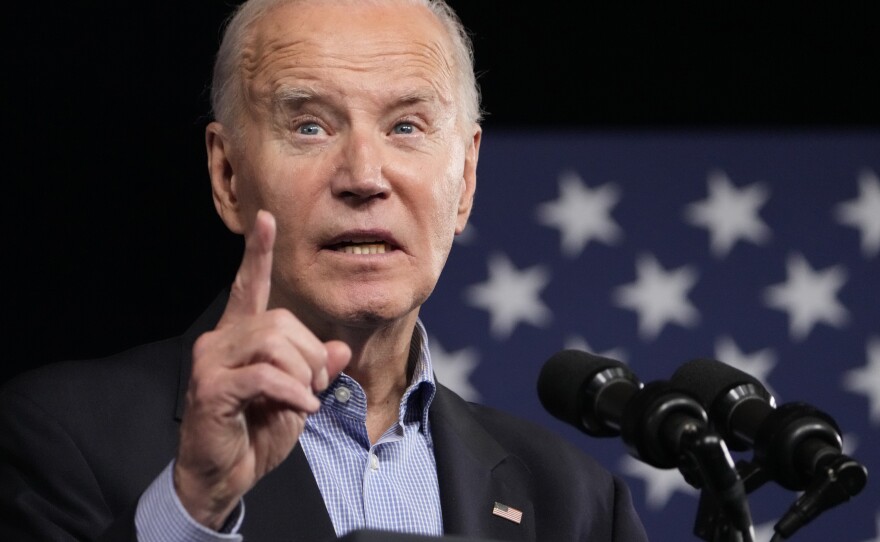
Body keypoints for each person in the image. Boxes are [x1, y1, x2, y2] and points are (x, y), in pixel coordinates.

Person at [0, 0, 649, 540]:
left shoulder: (577, 501)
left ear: (467, 180)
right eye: (309, 126)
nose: (364, 177)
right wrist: (193, 506)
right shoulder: (60, 435)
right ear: (227, 176)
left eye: (405, 126)